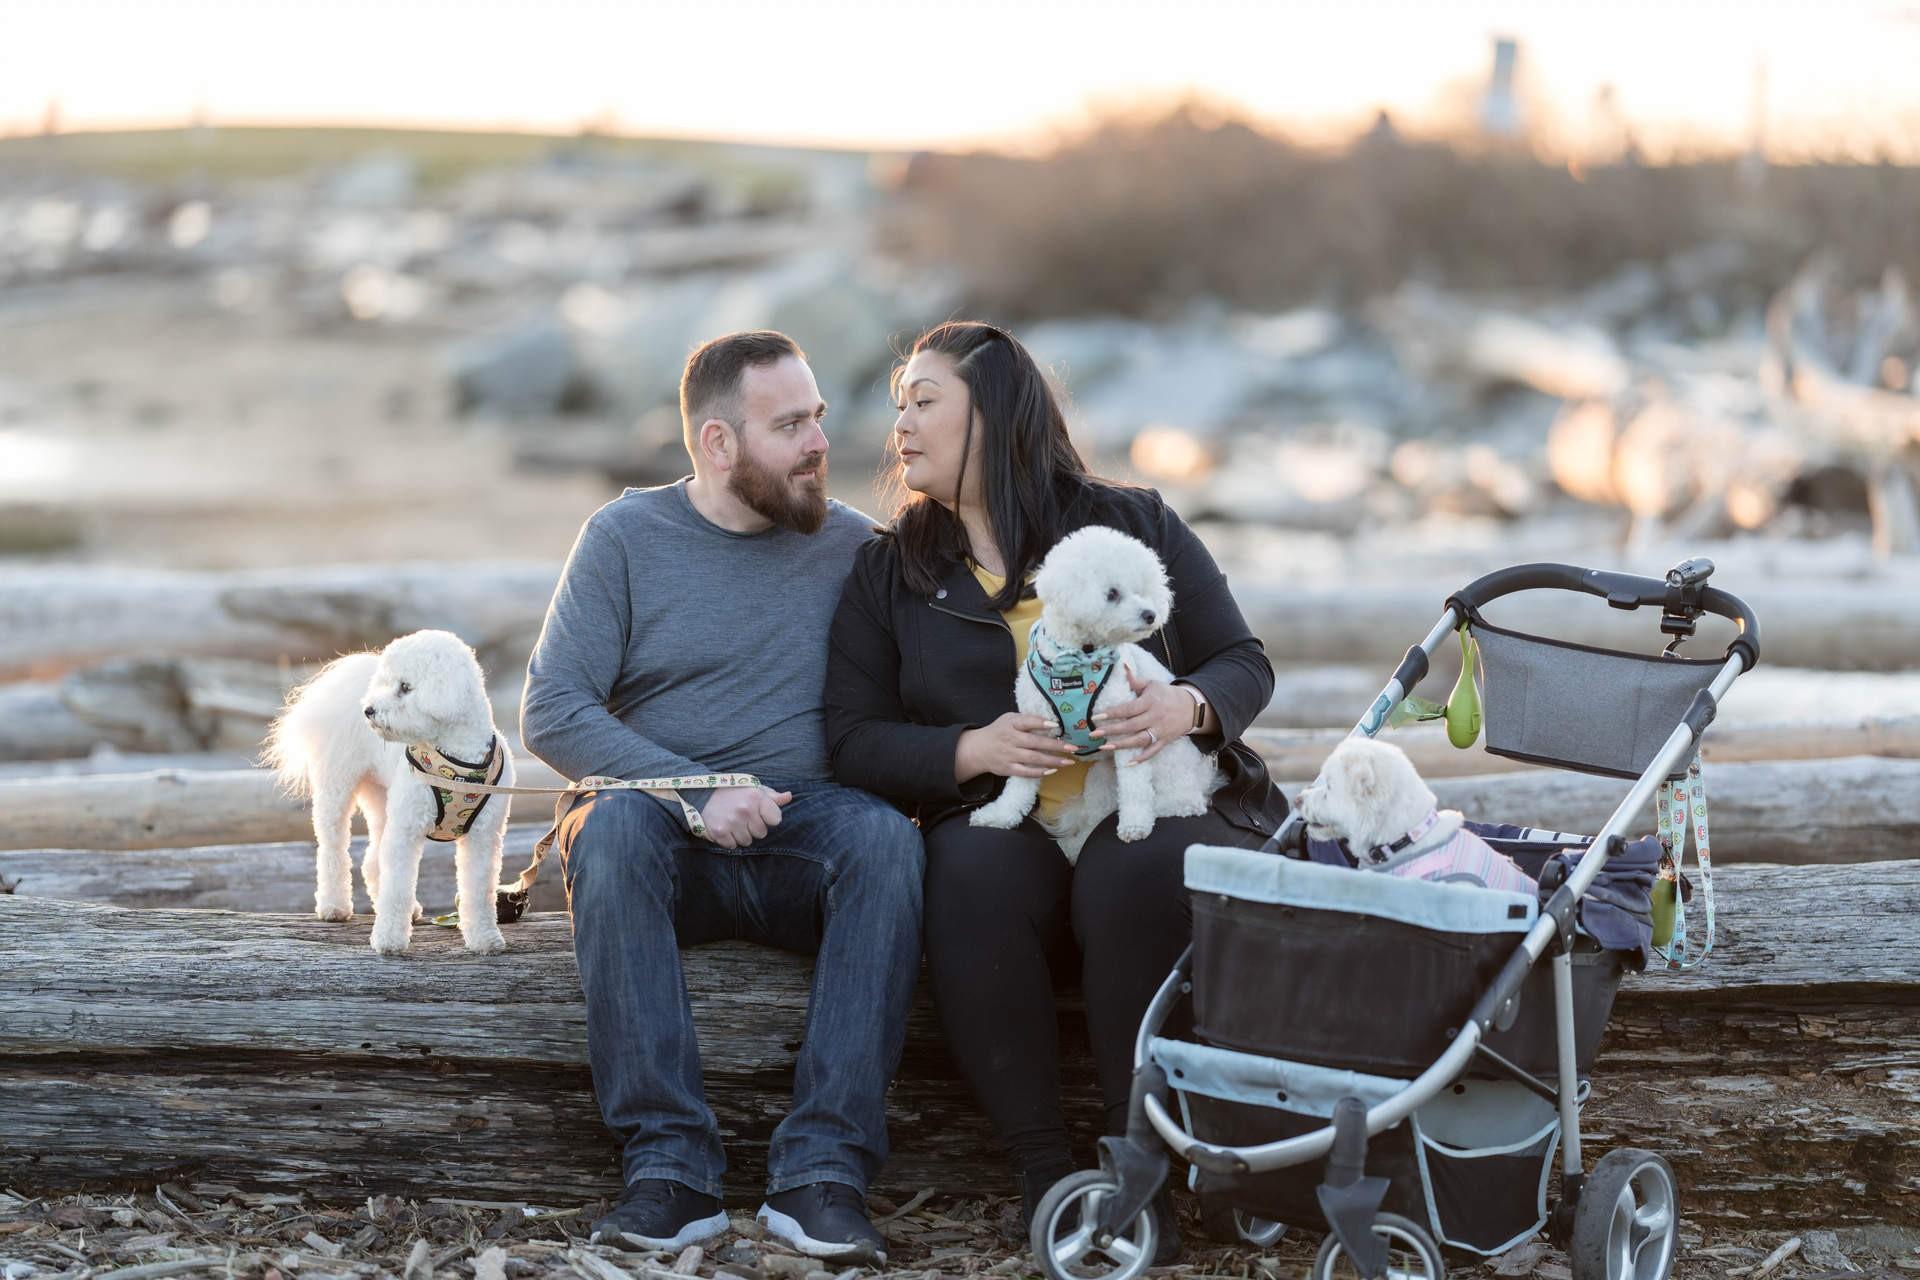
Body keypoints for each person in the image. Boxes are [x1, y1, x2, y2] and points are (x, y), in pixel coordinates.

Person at [823, 321, 1289, 1257]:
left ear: (992, 415)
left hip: (1152, 800)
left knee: (1137, 868)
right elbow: (852, 737)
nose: (900, 426)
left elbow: (1243, 661)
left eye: (925, 401)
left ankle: (1136, 1161)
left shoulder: (1130, 519)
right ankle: (1043, 1170)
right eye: (898, 405)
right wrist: (972, 747)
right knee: (965, 869)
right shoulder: (891, 568)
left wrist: (1185, 709)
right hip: (1011, 822)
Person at [522, 330, 923, 1265]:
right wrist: (695, 791)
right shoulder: (624, 537)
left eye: (818, 416)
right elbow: (550, 709)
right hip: (653, 840)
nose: (818, 442)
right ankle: (670, 1172)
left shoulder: (857, 548)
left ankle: (823, 1174)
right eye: (788, 426)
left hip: (803, 837)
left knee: (887, 844)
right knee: (613, 829)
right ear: (717, 443)